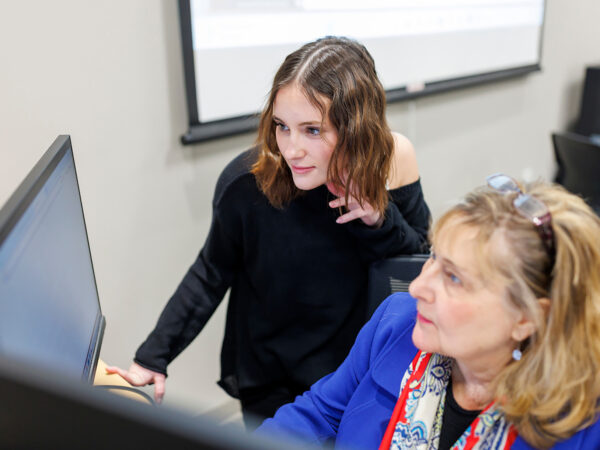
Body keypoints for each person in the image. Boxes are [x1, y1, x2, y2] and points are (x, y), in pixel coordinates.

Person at [106, 36, 430, 426]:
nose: (291, 149)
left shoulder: (392, 160)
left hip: (350, 371)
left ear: (357, 128)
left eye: (312, 130)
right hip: (271, 374)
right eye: (282, 126)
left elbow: (416, 264)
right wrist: (152, 357)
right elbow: (211, 272)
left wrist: (378, 219)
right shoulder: (248, 183)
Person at [257, 175, 600, 449]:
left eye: (453, 277)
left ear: (527, 318)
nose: (418, 288)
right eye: (433, 257)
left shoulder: (581, 426)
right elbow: (317, 415)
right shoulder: (397, 322)